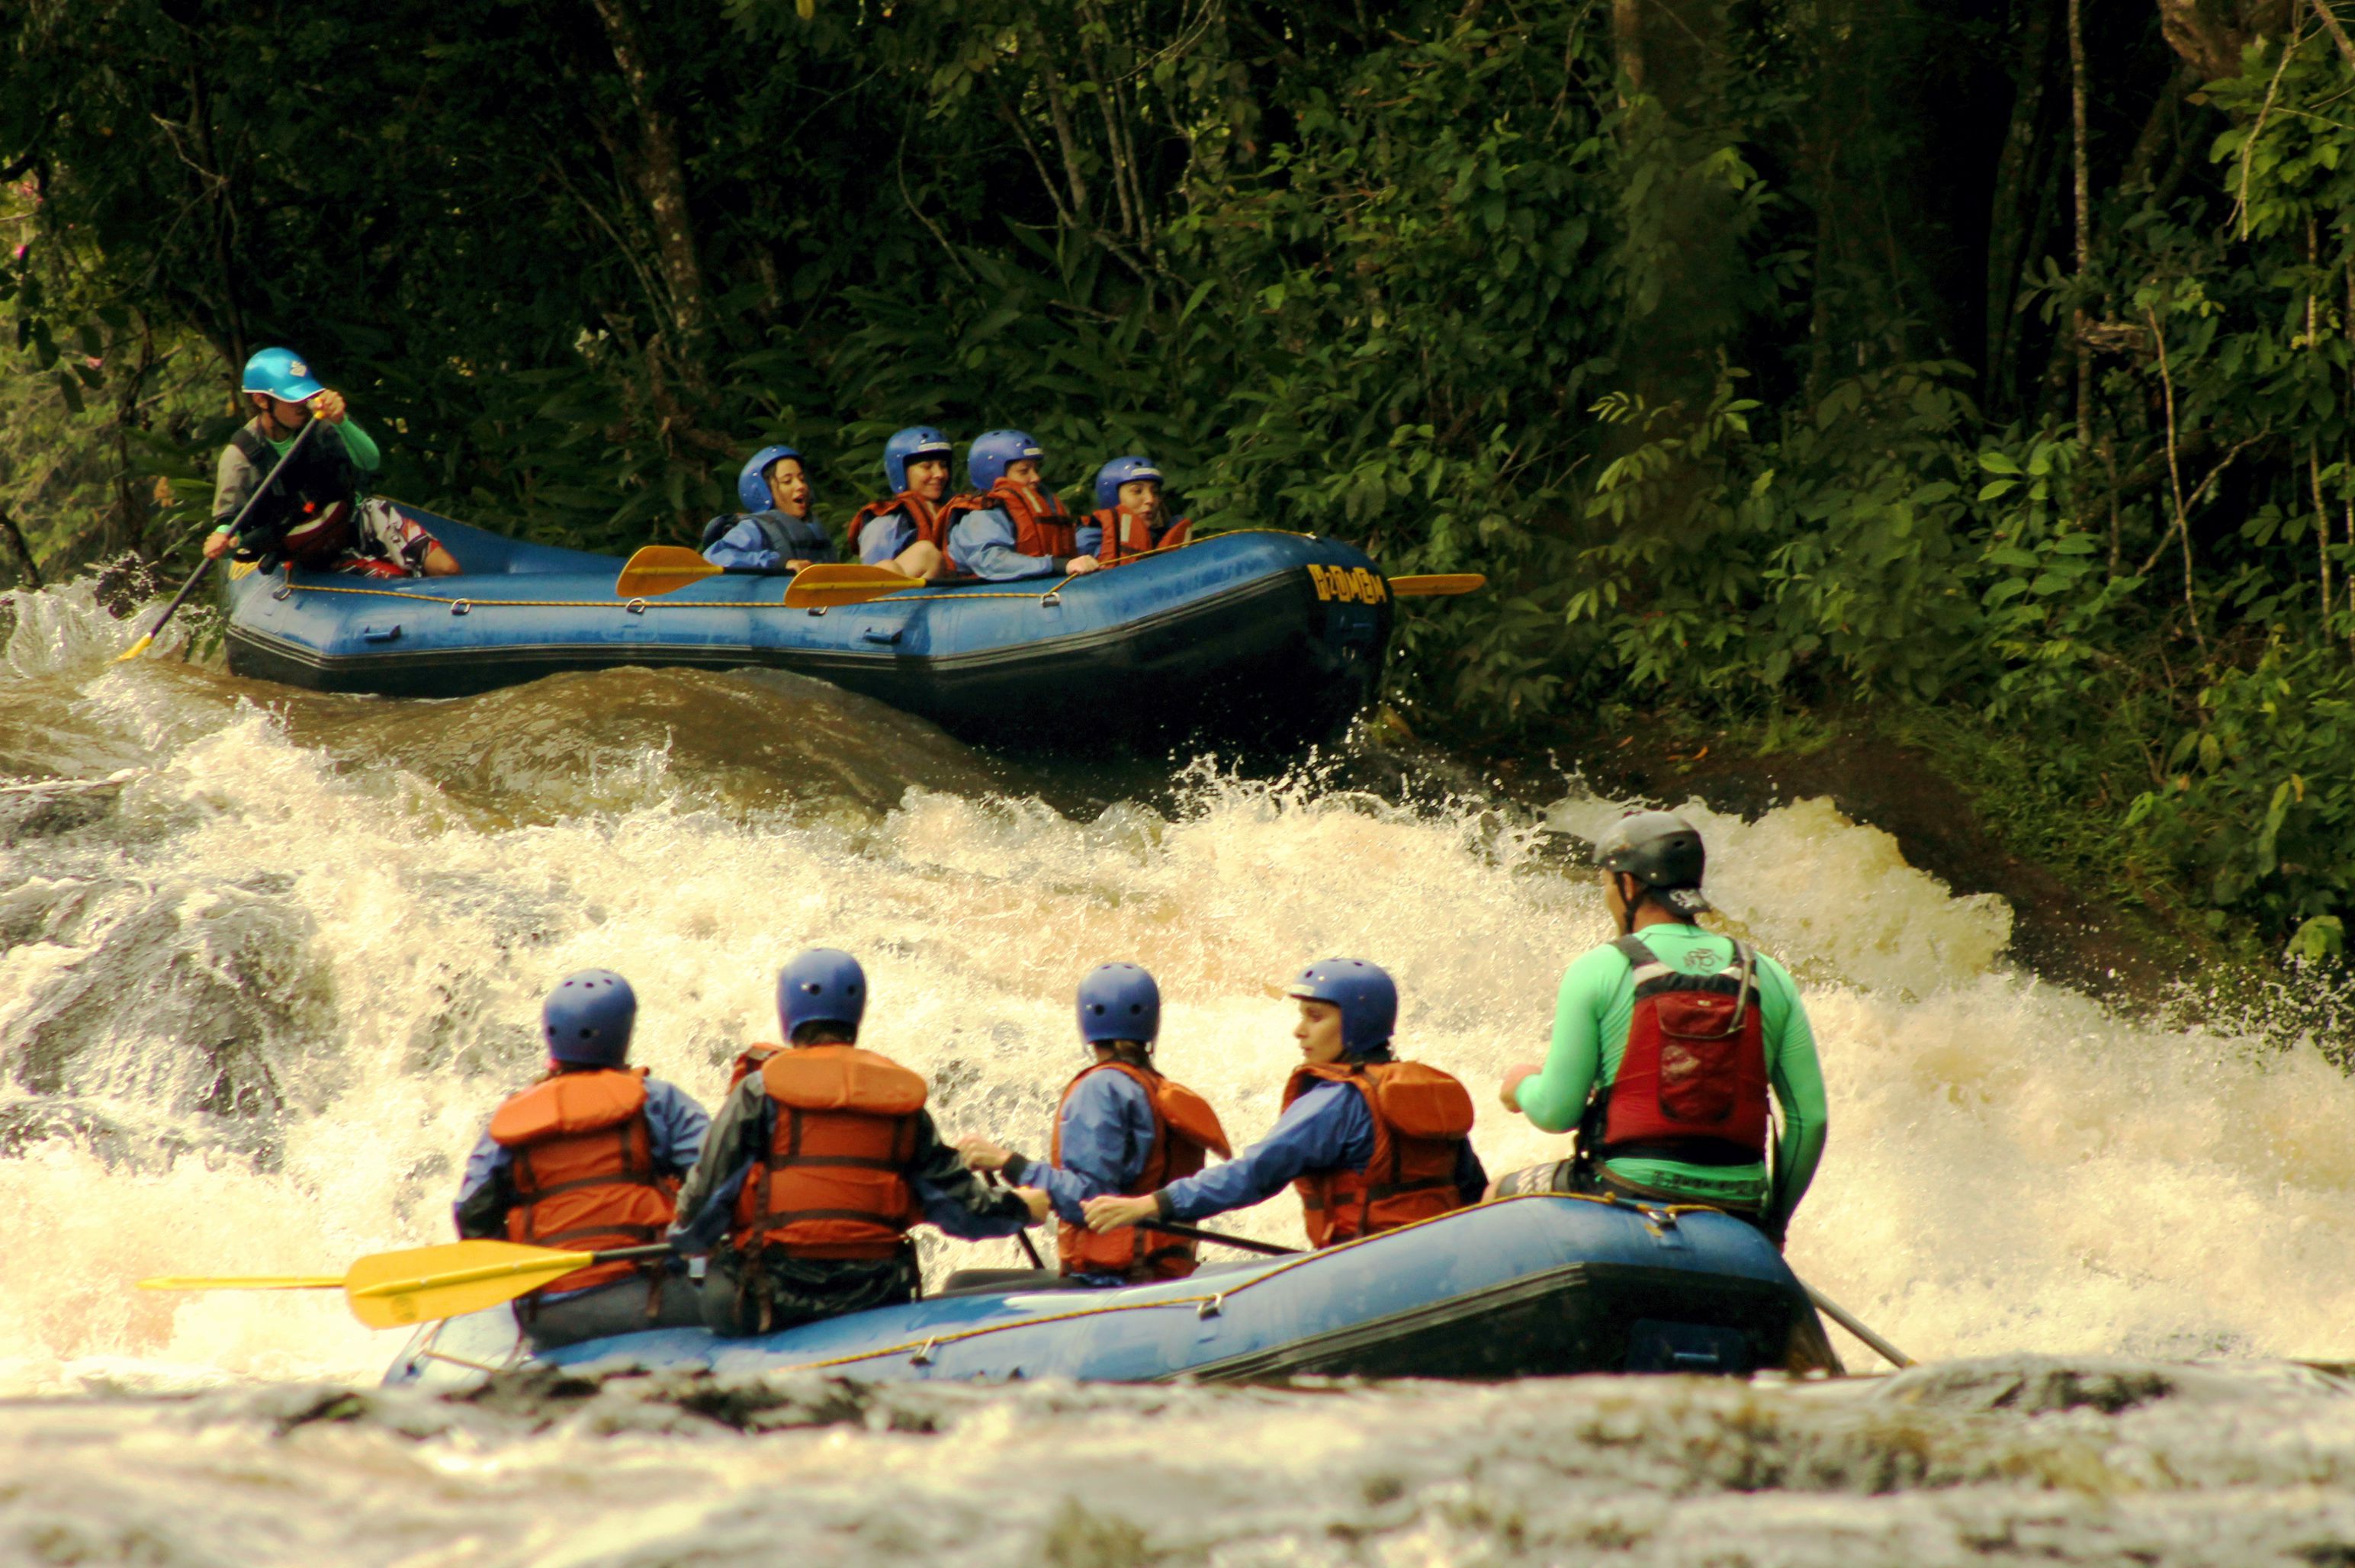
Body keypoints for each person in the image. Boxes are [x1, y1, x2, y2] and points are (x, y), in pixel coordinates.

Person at [1488, 811, 1829, 1249]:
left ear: (1628, 885)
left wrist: (1521, 1087)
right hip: (1739, 1206)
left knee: (1492, 1193)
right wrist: (1773, 1222)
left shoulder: (1599, 969)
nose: (1607, 895)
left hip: (1621, 1189)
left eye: (1607, 883)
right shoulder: (1767, 974)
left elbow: (1557, 1112)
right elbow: (1810, 1119)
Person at [670, 948, 1050, 1335]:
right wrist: (1022, 1208)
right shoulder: (899, 1101)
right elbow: (962, 1210)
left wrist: (685, 1242)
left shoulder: (758, 1092)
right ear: (857, 1013)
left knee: (709, 1287)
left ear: (788, 1013)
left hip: (771, 1297)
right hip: (875, 1295)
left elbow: (701, 1211)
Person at [1081, 959, 1483, 1248]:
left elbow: (1254, 1175)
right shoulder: (1424, 1090)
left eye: (1315, 1017)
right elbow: (1472, 1187)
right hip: (1439, 1256)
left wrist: (1152, 1204)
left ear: (1356, 1024)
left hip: (1366, 1265)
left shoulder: (1335, 1102)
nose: (1299, 1030)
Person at [453, 970, 711, 1348]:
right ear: (623, 1034)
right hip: (652, 1300)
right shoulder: (657, 1100)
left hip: (548, 1316)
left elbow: (472, 1215)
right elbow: (715, 1179)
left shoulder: (511, 1119)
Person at [958, 963, 1230, 1286]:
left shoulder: (1101, 1089)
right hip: (1156, 1271)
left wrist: (1008, 1163)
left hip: (1111, 1280)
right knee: (969, 1282)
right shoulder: (1154, 1088)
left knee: (960, 1285)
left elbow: (1089, 1201)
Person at [201, 346, 459, 578]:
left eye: (305, 397)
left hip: (354, 520)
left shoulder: (322, 423)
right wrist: (223, 540)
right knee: (394, 580)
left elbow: (370, 462)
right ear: (262, 401)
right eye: (292, 400)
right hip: (310, 549)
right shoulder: (240, 457)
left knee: (446, 568)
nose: (303, 405)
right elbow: (231, 526)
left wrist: (341, 421)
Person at [940, 429, 1100, 581]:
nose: (1036, 478)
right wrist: (1058, 565)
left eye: (1035, 470)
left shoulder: (1040, 504)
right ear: (993, 474)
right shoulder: (981, 515)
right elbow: (991, 561)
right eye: (1024, 471)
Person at [700, 445, 838, 573]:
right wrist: (778, 563)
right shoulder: (754, 528)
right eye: (787, 481)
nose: (800, 486)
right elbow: (714, 557)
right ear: (763, 491)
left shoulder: (814, 528)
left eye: (802, 479)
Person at [845, 426, 956, 580]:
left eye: (943, 465)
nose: (939, 474)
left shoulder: (958, 512)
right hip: (905, 599)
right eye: (927, 466)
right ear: (901, 472)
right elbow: (873, 580)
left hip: (956, 595)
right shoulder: (886, 524)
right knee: (926, 553)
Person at [1078, 455, 1190, 565]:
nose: (1150, 499)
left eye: (1155, 492)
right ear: (1112, 497)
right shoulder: (1087, 540)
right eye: (1137, 491)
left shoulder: (1163, 535)